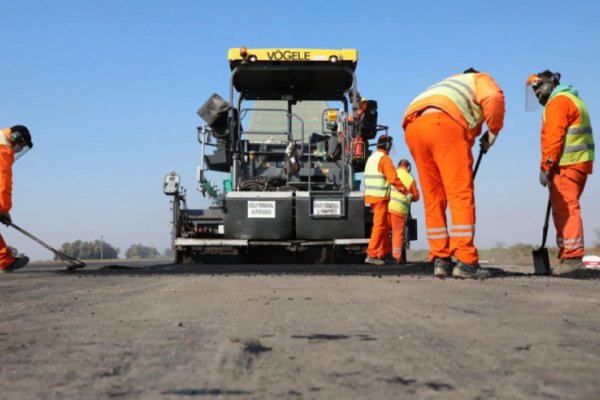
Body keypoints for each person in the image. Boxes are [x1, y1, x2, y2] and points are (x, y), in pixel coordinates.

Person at [402, 68, 505, 279]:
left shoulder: (448, 84)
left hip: (413, 127)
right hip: (444, 123)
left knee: (433, 198)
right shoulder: (479, 78)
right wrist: (493, 132)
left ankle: (441, 259)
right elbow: (493, 97)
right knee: (460, 194)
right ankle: (466, 261)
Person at [526, 70, 595, 275]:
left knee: (566, 210)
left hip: (566, 165)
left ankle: (572, 258)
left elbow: (553, 138)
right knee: (563, 209)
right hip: (577, 164)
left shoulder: (558, 102)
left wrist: (546, 167)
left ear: (549, 84)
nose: (537, 94)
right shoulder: (573, 98)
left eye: (538, 89)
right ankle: (567, 256)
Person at [364, 135, 407, 265]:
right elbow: (393, 179)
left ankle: (385, 253)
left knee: (382, 226)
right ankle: (371, 254)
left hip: (371, 196)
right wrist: (405, 190)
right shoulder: (385, 159)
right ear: (387, 146)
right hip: (380, 197)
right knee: (380, 226)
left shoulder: (371, 158)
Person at [0, 125, 33, 273]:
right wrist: (3, 209)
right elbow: (3, 184)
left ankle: (5, 261)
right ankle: (4, 261)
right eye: (22, 144)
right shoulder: (3, 150)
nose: (20, 149)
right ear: (15, 138)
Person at [388, 159, 420, 264]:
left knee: (383, 231)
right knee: (398, 234)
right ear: (408, 167)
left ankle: (380, 254)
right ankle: (397, 257)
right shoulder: (410, 179)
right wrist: (410, 197)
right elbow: (416, 196)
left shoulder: (393, 173)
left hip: (386, 207)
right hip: (399, 210)